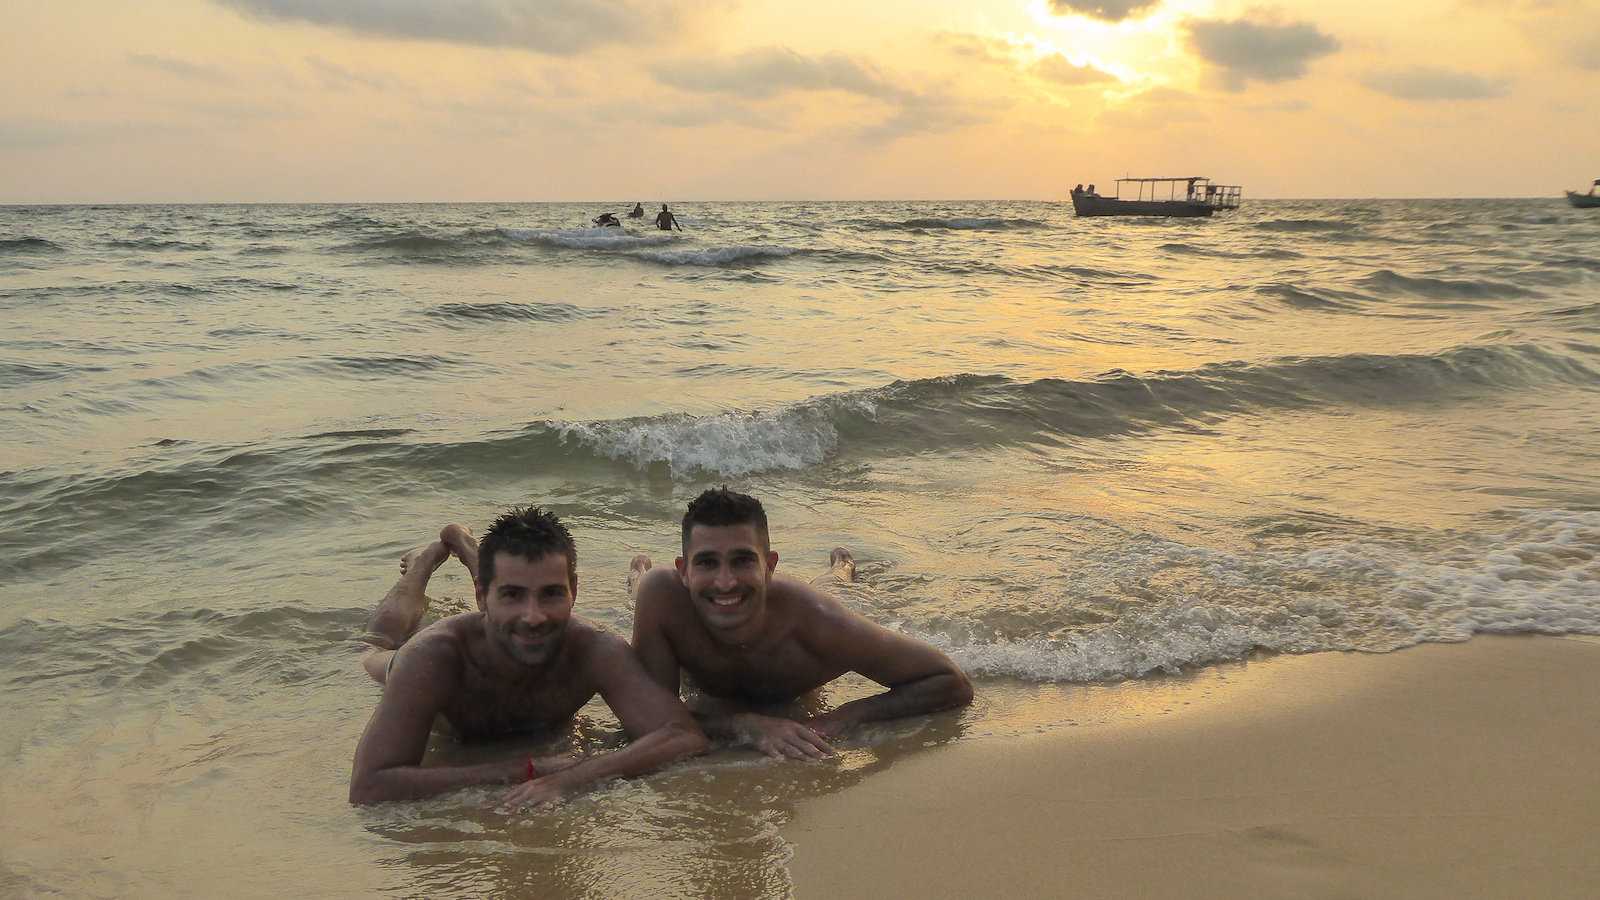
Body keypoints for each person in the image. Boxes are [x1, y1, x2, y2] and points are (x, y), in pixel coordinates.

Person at [350, 508, 708, 806]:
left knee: (517, 608)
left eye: (552, 594)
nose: (534, 615)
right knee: (375, 645)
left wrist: (573, 778)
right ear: (479, 597)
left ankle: (470, 549)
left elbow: (681, 735)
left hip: (494, 617)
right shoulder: (432, 657)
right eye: (512, 595)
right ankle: (423, 563)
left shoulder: (593, 648)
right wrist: (525, 769)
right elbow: (370, 786)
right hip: (415, 654)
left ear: (574, 591)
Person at [630, 488, 972, 760]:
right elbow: (652, 718)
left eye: (742, 561)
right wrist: (747, 725)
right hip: (672, 593)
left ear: (769, 565)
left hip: (807, 603)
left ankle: (843, 566)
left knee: (832, 586)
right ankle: (637, 573)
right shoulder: (663, 596)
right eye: (707, 562)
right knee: (642, 587)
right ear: (683, 571)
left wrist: (839, 718)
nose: (725, 581)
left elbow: (949, 680)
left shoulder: (819, 622)